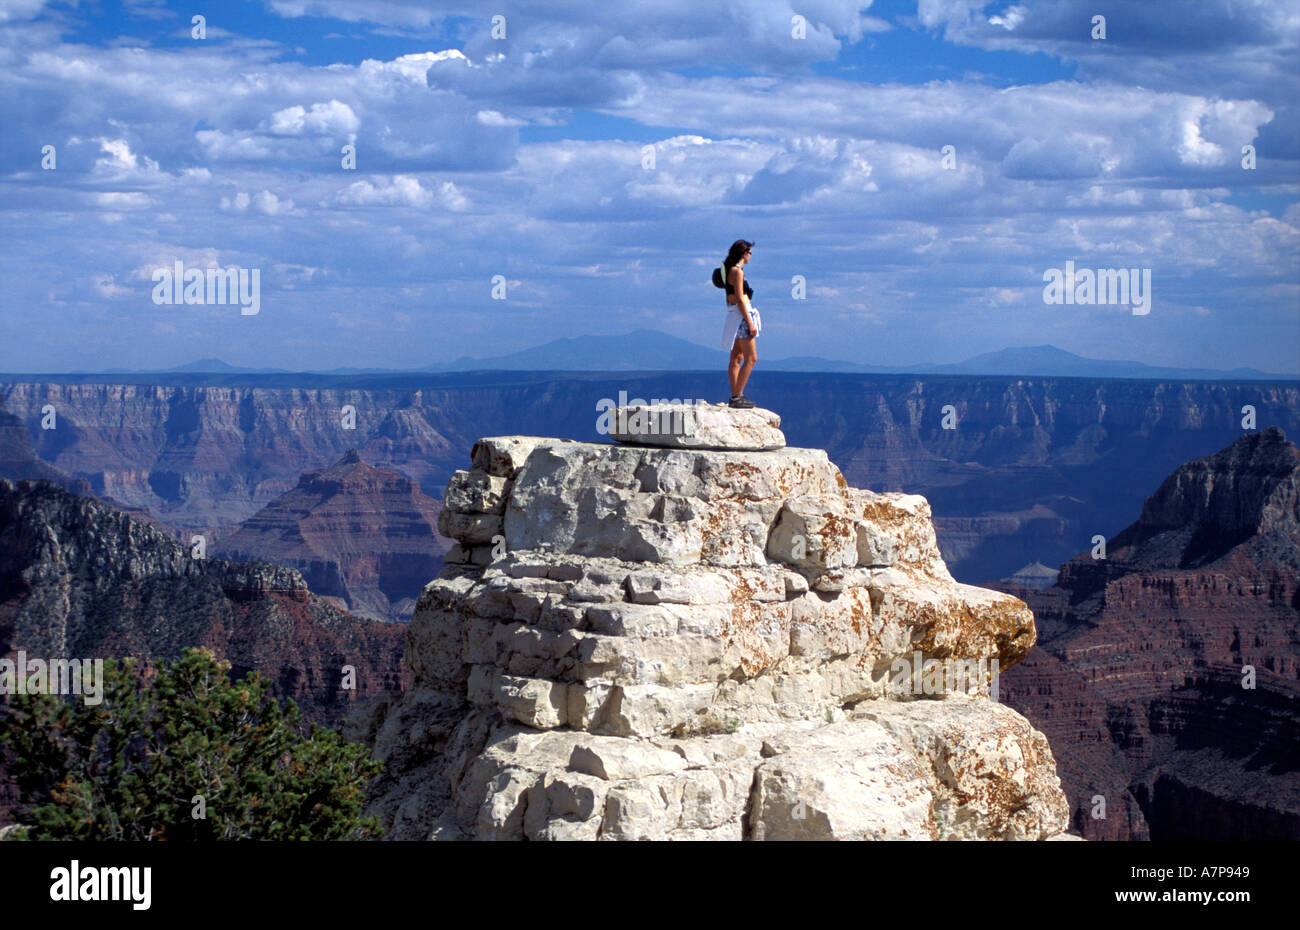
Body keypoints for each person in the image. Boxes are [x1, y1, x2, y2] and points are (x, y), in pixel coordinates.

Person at [720, 239, 759, 408]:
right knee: (751, 358)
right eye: (749, 252)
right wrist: (750, 323)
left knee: (736, 357)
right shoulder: (738, 272)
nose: (750, 256)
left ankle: (735, 395)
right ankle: (737, 396)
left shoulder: (728, 271)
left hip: (733, 316)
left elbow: (729, 299)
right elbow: (740, 300)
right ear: (744, 253)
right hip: (742, 316)